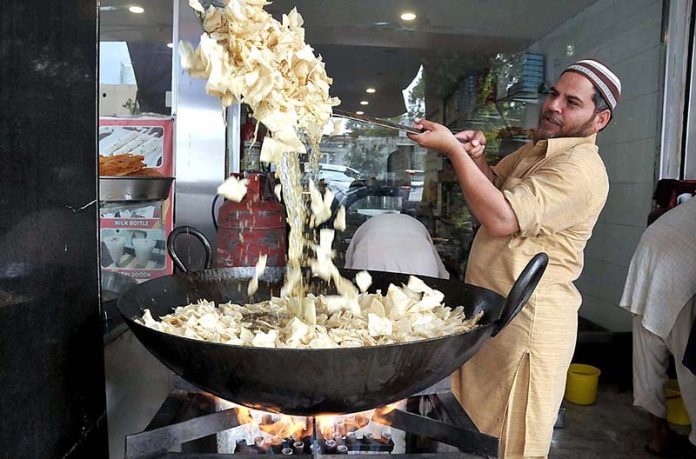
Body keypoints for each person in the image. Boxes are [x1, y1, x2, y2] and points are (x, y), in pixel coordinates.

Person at [407, 59, 621, 458]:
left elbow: (502, 218)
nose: (554, 105)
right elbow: (494, 192)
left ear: (600, 119)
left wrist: (453, 151)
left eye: (572, 102)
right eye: (554, 94)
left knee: (515, 444)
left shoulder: (580, 170)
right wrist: (474, 156)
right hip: (498, 315)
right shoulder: (537, 150)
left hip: (531, 324)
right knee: (483, 435)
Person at [619, 196, 696, 455]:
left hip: (647, 264)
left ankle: (657, 435)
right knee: (691, 368)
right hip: (680, 275)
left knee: (649, 358)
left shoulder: (685, 207)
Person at [344, 213, 450, 279]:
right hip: (420, 262)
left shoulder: (368, 225)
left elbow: (348, 272)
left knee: (367, 304)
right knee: (424, 307)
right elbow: (443, 277)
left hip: (371, 254)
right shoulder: (415, 224)